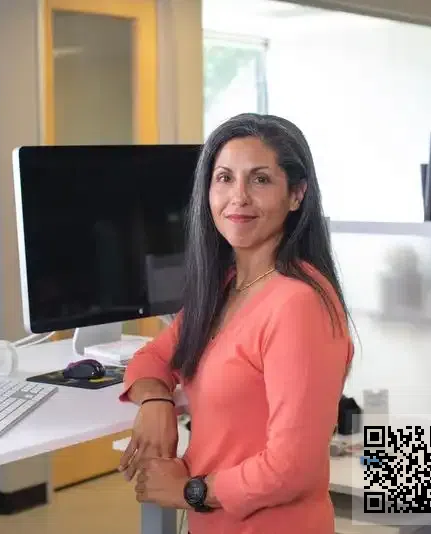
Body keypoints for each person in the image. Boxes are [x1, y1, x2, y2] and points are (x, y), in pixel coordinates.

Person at [117, 113, 353, 534]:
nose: (238, 197)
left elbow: (292, 467)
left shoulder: (298, 304)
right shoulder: (226, 286)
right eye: (224, 178)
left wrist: (191, 491)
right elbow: (153, 357)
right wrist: (156, 403)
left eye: (260, 180)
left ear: (296, 194)